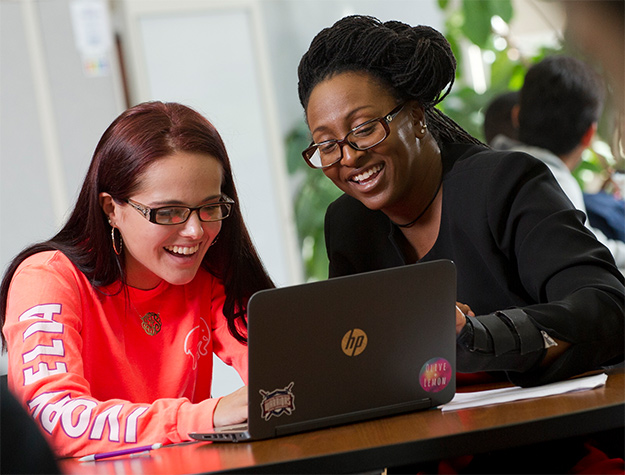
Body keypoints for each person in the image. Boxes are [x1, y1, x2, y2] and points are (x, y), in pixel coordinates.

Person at [297, 15, 625, 473]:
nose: (348, 156)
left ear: (414, 115)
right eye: (326, 145)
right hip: (433, 457)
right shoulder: (349, 224)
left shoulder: (504, 183)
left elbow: (607, 308)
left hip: (551, 449)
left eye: (364, 128)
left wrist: (477, 337)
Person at [0, 101, 274, 458]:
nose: (195, 231)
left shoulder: (210, 271)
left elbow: (283, 378)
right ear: (112, 209)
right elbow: (53, 419)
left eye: (210, 207)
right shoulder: (46, 278)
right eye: (168, 212)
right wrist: (207, 415)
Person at [494, 56, 625, 274]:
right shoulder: (554, 182)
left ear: (516, 116)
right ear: (589, 134)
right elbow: (594, 251)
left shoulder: (489, 163)